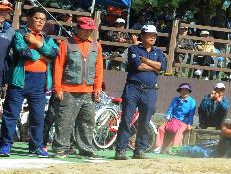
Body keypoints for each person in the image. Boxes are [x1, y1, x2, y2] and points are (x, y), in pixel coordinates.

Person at [0, 8, 59, 158]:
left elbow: (53, 54)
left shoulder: (46, 38)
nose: (40, 21)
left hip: (39, 82)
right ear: (29, 18)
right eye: (37, 18)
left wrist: (35, 43)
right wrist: (42, 56)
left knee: (38, 116)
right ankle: (6, 144)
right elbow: (22, 52)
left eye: (43, 20)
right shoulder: (19, 34)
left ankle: (36, 146)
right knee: (11, 114)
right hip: (19, 80)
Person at [52, 16, 103, 158]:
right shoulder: (66, 43)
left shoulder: (96, 45)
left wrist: (97, 88)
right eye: (85, 30)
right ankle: (60, 148)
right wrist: (58, 88)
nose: (88, 33)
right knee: (64, 121)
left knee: (88, 122)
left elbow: (99, 69)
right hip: (68, 90)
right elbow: (58, 67)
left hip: (89, 91)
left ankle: (86, 148)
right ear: (78, 28)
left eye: (90, 30)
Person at [114, 24, 166, 160]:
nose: (152, 37)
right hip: (133, 87)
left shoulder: (158, 52)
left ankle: (140, 149)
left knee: (145, 121)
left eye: (154, 35)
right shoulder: (133, 48)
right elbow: (138, 65)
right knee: (126, 119)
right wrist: (155, 67)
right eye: (149, 35)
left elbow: (163, 67)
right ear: (142, 36)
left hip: (150, 90)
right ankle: (120, 149)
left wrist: (147, 61)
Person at [153, 83, 196, 153]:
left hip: (184, 121)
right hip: (173, 119)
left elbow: (191, 114)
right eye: (182, 90)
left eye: (186, 90)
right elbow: (170, 109)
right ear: (180, 91)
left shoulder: (192, 102)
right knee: (161, 128)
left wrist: (189, 124)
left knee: (179, 132)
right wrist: (168, 116)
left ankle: (174, 149)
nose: (184, 92)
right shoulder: (175, 99)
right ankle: (158, 147)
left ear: (189, 91)